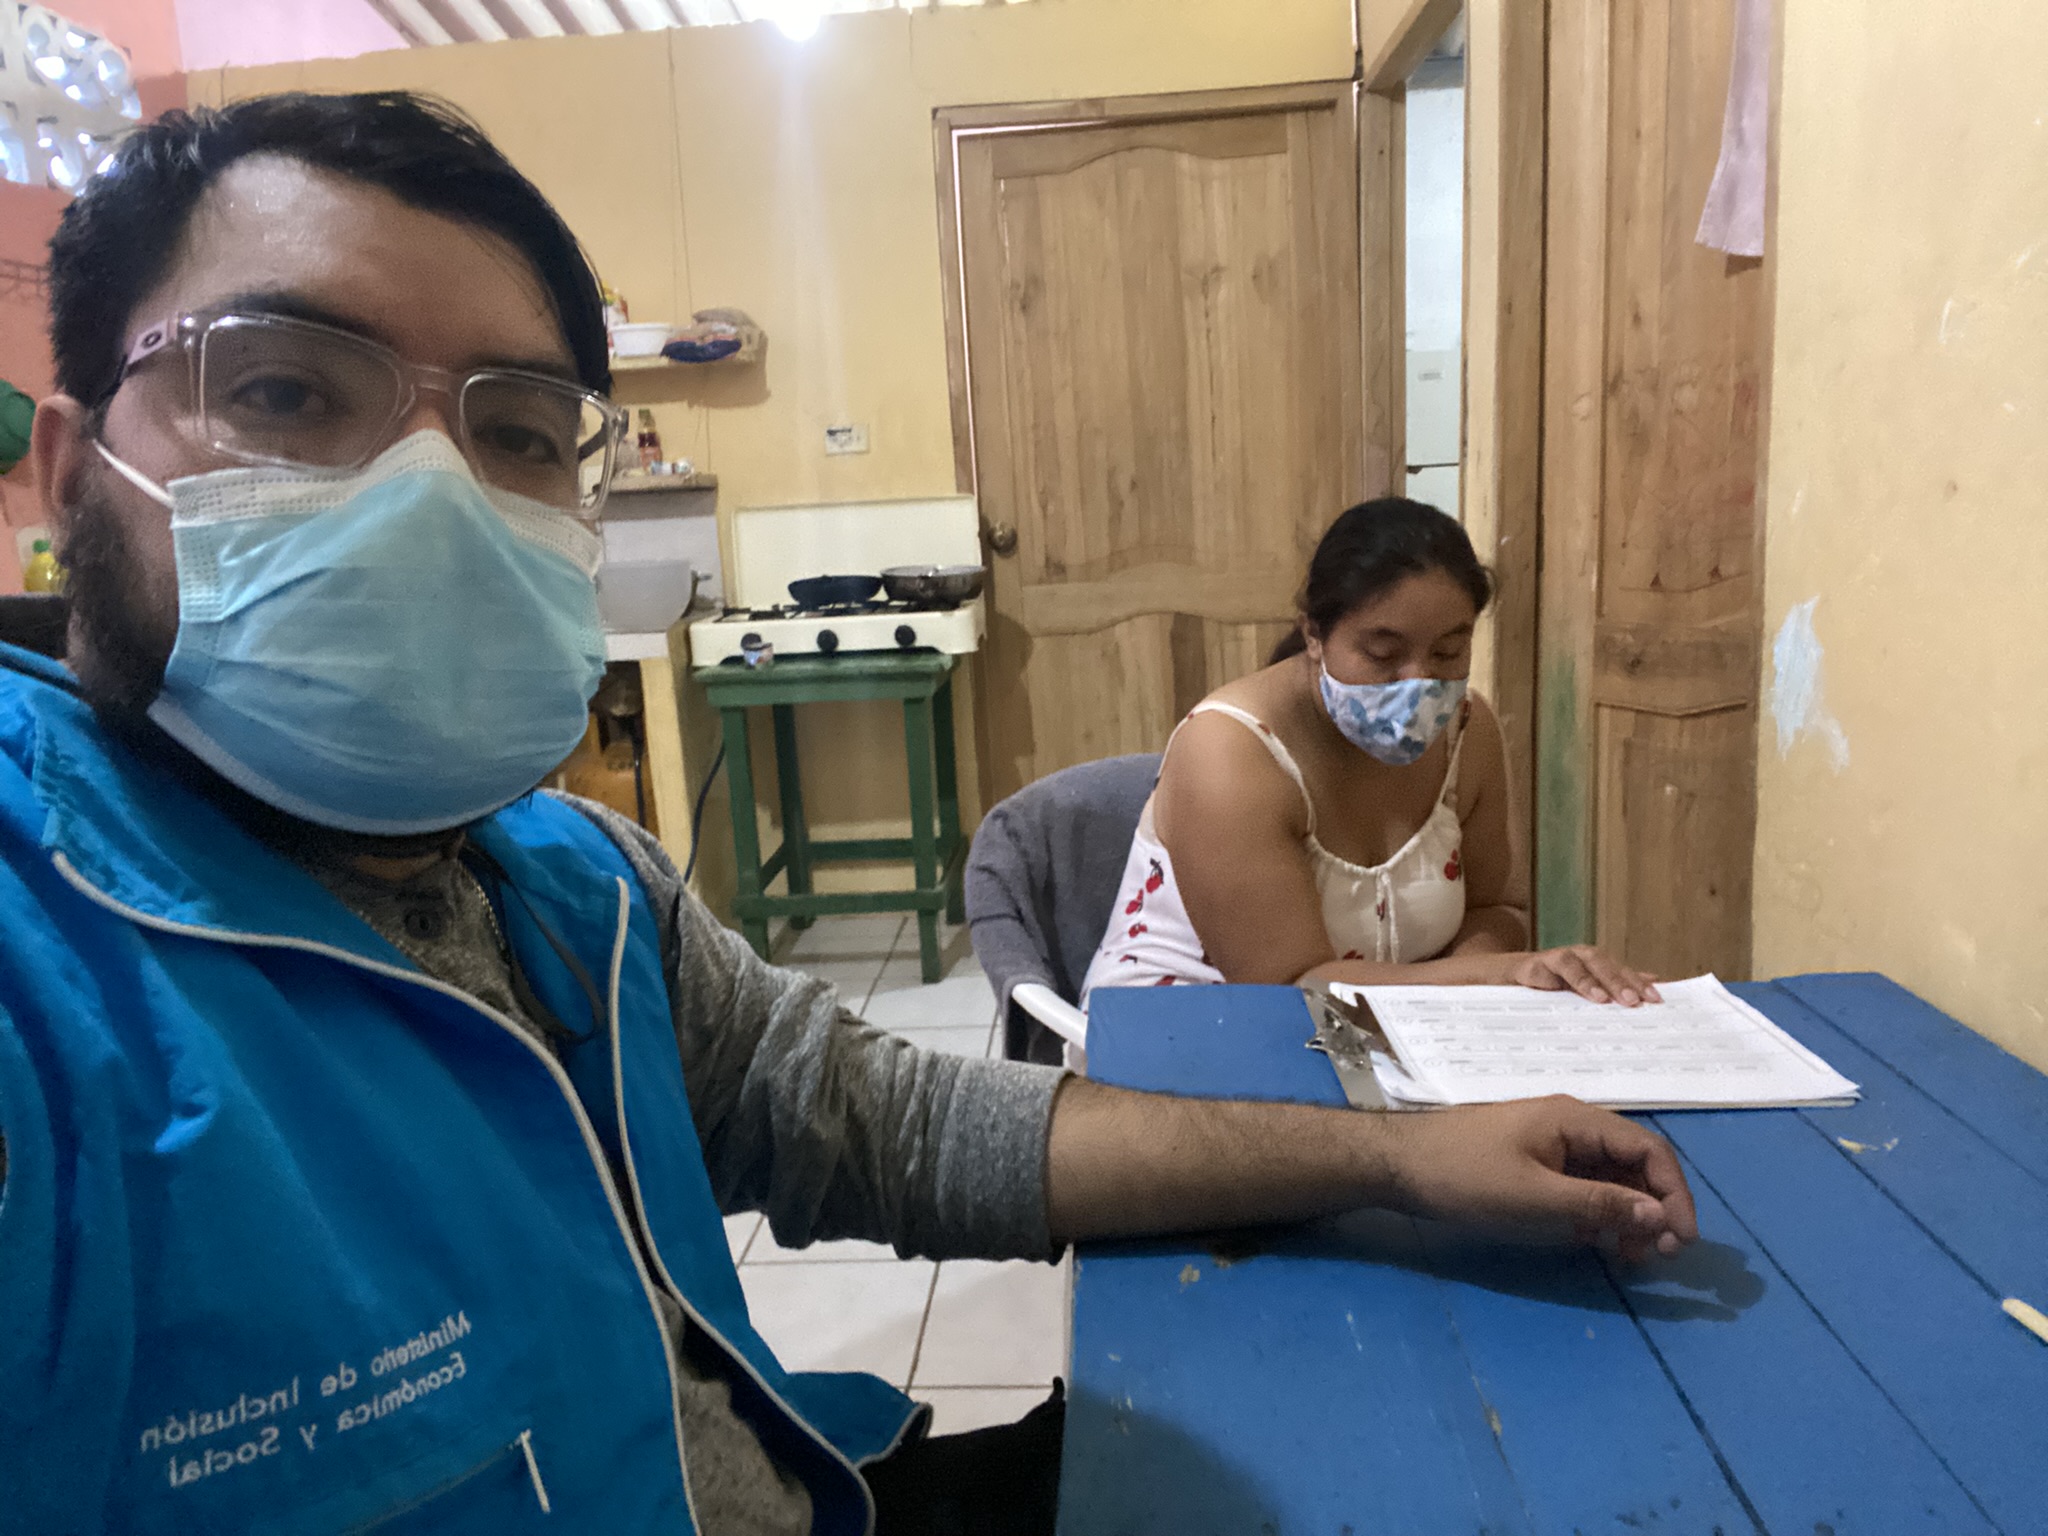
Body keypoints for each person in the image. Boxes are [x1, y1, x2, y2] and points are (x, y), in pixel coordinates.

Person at [0, 93, 1695, 1535]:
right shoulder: (43, 951)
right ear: (72, 473)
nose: (423, 495)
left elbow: (893, 1126)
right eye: (287, 391)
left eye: (513, 428)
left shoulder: (573, 888)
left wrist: (1398, 1160)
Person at [1082, 500, 1662, 1011]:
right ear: (1314, 635)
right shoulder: (1228, 750)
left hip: (1391, 1026)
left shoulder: (1467, 730)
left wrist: (1473, 993)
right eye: (1383, 654)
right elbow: (1290, 989)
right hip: (1193, 1026)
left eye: (1448, 651)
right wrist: (1495, 976)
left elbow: (1497, 909)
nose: (1419, 683)